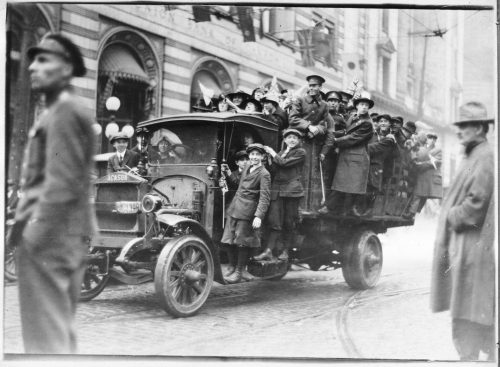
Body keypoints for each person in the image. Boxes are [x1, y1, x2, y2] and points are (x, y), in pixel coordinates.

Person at [12, 33, 98, 353]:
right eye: (33, 60)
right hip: (60, 236)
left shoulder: (64, 110)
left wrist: (32, 235)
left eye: (43, 60)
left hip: (50, 239)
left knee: (45, 343)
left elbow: (61, 185)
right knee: (56, 336)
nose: (33, 67)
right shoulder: (60, 109)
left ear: (65, 69)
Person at [430, 102, 495, 361]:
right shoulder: (474, 154)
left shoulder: (485, 156)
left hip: (472, 246)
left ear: (479, 127)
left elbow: (476, 203)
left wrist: (451, 214)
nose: (458, 132)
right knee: (466, 304)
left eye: (463, 126)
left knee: (470, 308)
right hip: (464, 246)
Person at [221, 143, 271, 284]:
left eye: (257, 155)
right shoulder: (247, 167)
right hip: (235, 207)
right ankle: (232, 267)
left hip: (248, 210)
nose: (254, 157)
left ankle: (238, 272)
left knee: (242, 242)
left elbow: (264, 197)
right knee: (228, 239)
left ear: (262, 156)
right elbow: (238, 183)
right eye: (252, 154)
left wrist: (259, 216)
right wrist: (228, 172)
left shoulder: (264, 174)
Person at [254, 129, 306, 261]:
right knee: (274, 222)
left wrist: (272, 153)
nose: (292, 140)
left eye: (295, 138)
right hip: (277, 191)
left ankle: (286, 251)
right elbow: (274, 170)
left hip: (291, 191)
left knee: (289, 222)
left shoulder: (301, 152)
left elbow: (284, 163)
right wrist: (270, 159)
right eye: (289, 137)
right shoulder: (282, 153)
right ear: (285, 140)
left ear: (299, 141)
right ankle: (269, 251)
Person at [318, 94, 374, 216]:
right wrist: (331, 134)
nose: (364, 107)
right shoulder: (353, 117)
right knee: (341, 184)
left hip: (357, 157)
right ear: (357, 106)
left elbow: (354, 137)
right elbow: (345, 131)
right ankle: (336, 209)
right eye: (362, 105)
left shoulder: (367, 123)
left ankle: (333, 208)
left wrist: (336, 141)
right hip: (347, 155)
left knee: (348, 186)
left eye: (366, 105)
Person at [288, 74, 333, 210]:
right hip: (299, 141)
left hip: (314, 144)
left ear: (320, 87)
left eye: (315, 86)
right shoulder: (300, 100)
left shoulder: (324, 105)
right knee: (298, 172)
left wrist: (318, 129)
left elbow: (325, 123)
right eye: (311, 85)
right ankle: (297, 206)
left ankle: (309, 206)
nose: (312, 88)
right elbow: (293, 119)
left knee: (311, 175)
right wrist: (309, 126)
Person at [405, 132, 443, 219]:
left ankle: (412, 212)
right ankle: (412, 212)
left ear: (435, 140)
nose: (430, 140)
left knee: (419, 194)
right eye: (428, 138)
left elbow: (435, 162)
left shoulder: (437, 150)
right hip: (420, 176)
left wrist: (419, 164)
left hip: (429, 177)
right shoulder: (422, 148)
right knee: (418, 194)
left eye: (432, 138)